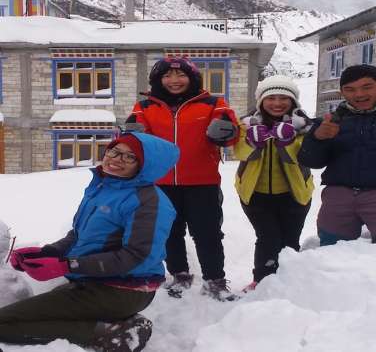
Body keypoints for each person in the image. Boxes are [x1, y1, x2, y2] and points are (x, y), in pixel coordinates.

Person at [0, 132, 179, 352]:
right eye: (114, 151)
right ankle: (104, 325)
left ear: (145, 166)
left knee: (5, 322)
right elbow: (77, 236)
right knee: (24, 314)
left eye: (129, 157)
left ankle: (111, 334)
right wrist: (46, 253)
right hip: (90, 281)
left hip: (124, 290)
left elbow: (135, 256)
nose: (116, 159)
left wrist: (66, 265)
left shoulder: (149, 202)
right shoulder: (104, 188)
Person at [124, 56, 239, 301]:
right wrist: (132, 136)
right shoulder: (145, 106)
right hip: (161, 183)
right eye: (167, 75)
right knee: (169, 232)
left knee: (207, 233)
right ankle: (179, 276)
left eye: (181, 75)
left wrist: (226, 132)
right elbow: (134, 140)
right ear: (158, 79)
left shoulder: (213, 103)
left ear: (192, 78)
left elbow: (230, 135)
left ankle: (214, 282)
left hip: (202, 182)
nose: (174, 80)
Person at [234, 75, 314, 291]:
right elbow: (239, 152)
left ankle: (289, 282)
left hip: (295, 193)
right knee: (267, 238)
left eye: (283, 98)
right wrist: (253, 142)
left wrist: (286, 141)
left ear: (293, 102)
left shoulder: (304, 126)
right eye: (271, 98)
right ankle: (262, 280)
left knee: (290, 240)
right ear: (261, 101)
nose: (277, 103)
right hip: (255, 193)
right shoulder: (246, 124)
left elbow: (304, 157)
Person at [298, 64, 376, 246]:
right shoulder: (329, 122)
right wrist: (318, 138)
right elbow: (309, 160)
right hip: (338, 196)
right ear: (342, 92)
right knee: (332, 253)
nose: (359, 94)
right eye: (350, 89)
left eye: (367, 86)